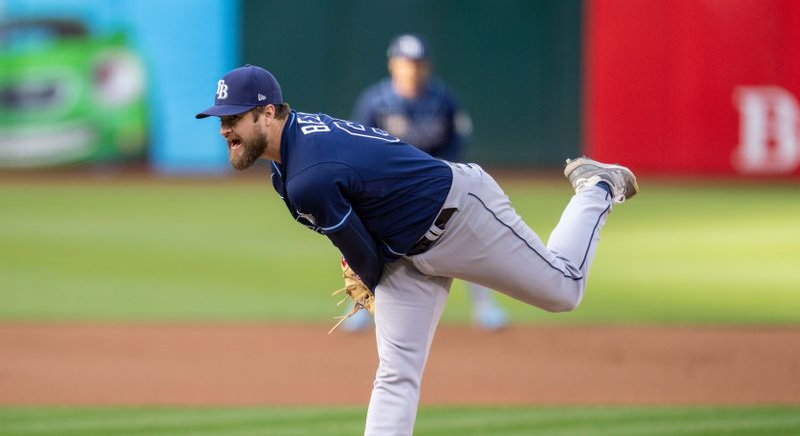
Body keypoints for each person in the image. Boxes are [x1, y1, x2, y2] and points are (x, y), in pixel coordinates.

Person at [196, 64, 638, 436]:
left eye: (234, 118)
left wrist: (364, 272)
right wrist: (360, 261)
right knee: (395, 375)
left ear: (267, 113)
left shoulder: (306, 173)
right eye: (220, 120)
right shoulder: (290, 156)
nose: (224, 129)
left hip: (461, 215)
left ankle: (596, 185)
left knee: (563, 290)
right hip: (405, 255)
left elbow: (367, 261)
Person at [347, 33, 507, 331]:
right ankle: (359, 305)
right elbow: (359, 150)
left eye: (418, 63)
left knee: (470, 234)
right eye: (406, 63)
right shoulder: (374, 102)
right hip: (386, 189)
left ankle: (485, 307)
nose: (412, 69)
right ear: (393, 65)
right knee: (356, 234)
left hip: (436, 185)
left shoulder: (443, 100)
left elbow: (456, 146)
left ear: (427, 66)